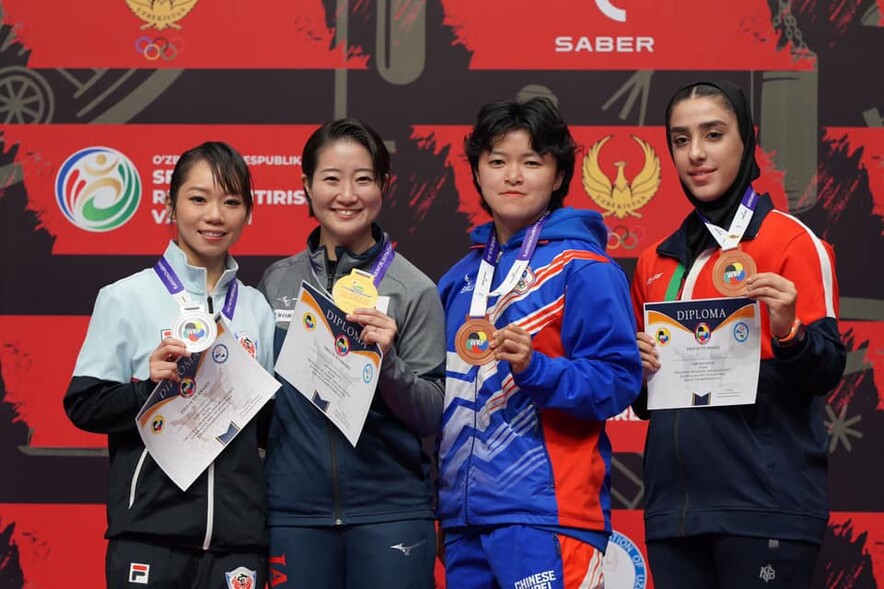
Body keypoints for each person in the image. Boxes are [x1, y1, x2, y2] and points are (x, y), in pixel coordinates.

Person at [631, 80, 847, 588]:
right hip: (674, 516)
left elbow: (826, 370)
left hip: (765, 509)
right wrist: (635, 374)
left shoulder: (792, 241)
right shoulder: (655, 261)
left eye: (713, 134)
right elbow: (645, 402)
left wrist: (789, 331)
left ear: (745, 140)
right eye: (680, 140)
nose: (696, 154)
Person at [436, 97, 643, 588]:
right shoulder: (458, 279)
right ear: (478, 173)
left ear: (557, 175)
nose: (513, 175)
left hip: (550, 515)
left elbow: (618, 380)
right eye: (497, 161)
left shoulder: (585, 269)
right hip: (464, 521)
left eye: (531, 162)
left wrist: (537, 369)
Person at [64, 141, 277, 588]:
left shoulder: (256, 308)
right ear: (170, 205)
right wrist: (147, 389)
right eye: (198, 199)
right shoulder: (126, 297)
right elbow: (84, 405)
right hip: (149, 534)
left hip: (238, 542)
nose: (214, 215)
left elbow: (265, 429)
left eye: (231, 201)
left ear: (248, 213)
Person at [259, 118, 445, 588]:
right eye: (331, 178)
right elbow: (260, 410)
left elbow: (431, 414)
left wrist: (387, 366)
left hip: (391, 511)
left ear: (384, 185)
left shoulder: (413, 288)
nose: (347, 194)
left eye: (363, 178)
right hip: (294, 516)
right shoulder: (277, 283)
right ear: (306, 185)